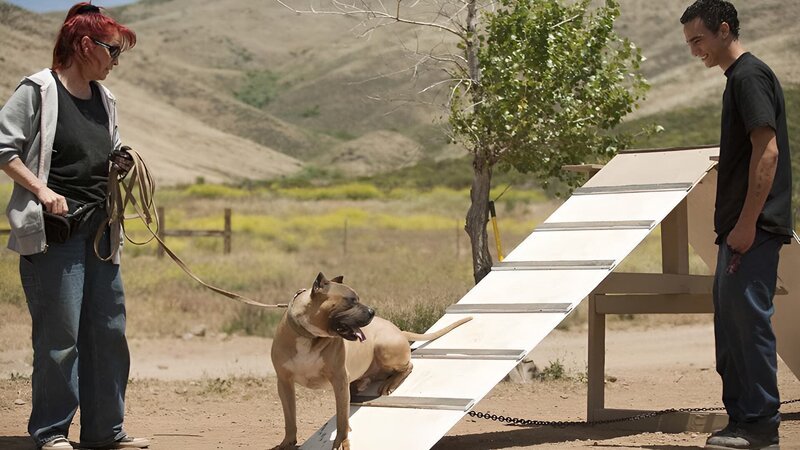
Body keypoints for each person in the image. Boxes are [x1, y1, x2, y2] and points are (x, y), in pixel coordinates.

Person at [0, 3, 148, 450]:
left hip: (102, 233)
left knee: (107, 333)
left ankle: (105, 431)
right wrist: (42, 191)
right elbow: (3, 148)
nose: (115, 61)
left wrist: (120, 162)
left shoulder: (106, 99)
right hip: (54, 234)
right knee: (60, 337)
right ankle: (51, 431)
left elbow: (108, 148)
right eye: (112, 50)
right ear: (85, 45)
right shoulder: (38, 91)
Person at [680, 1, 793, 449]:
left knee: (747, 325)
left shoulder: (749, 76)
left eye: (699, 40)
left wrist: (746, 225)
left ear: (724, 29)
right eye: (689, 43)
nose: (695, 51)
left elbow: (768, 152)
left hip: (753, 228)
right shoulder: (738, 79)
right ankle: (743, 422)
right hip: (739, 228)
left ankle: (760, 426)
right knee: (732, 328)